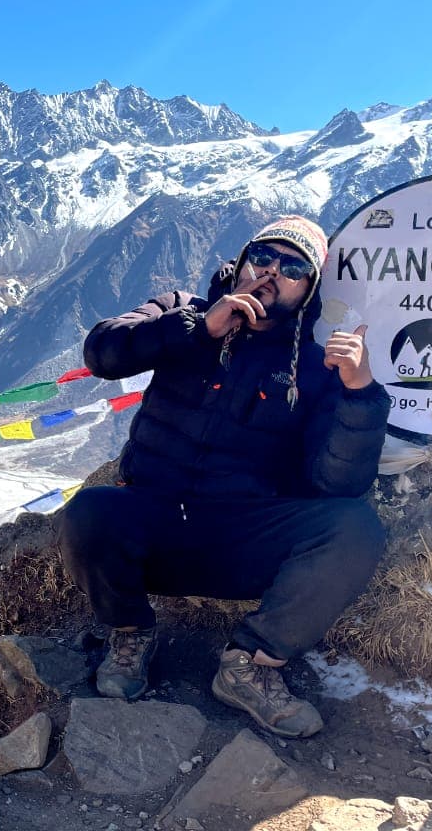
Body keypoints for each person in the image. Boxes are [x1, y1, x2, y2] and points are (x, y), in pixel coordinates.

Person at [58, 215, 389, 739]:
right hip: (156, 526)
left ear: (309, 290)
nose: (271, 273)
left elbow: (338, 484)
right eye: (262, 258)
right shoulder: (180, 311)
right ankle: (130, 632)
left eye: (293, 267)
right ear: (239, 263)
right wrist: (198, 330)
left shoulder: (314, 366)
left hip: (244, 540)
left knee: (354, 527)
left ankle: (251, 664)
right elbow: (102, 352)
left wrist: (360, 392)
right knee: (88, 512)